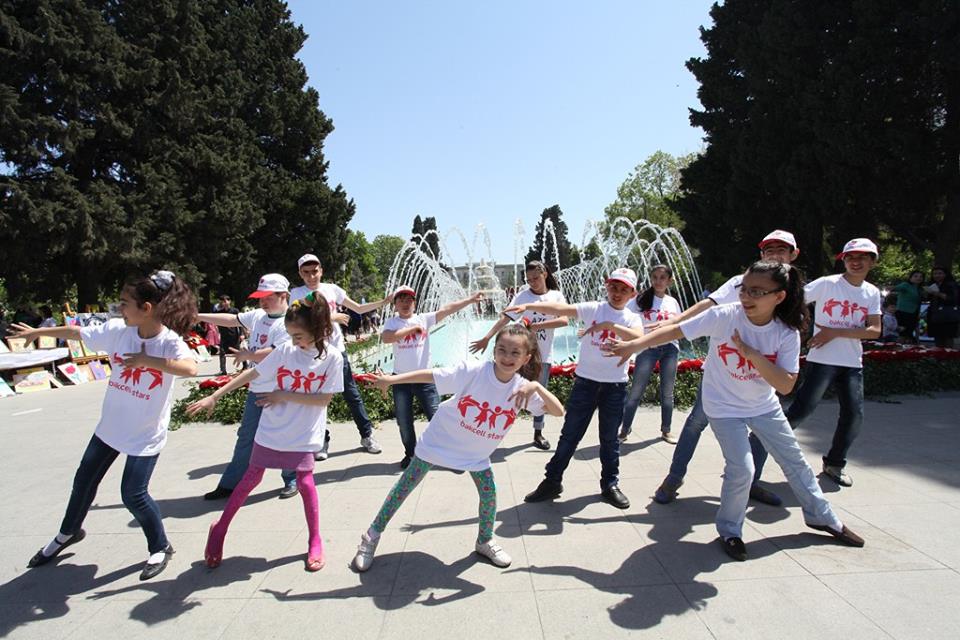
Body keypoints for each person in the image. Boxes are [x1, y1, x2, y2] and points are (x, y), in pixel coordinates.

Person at [606, 261, 865, 561]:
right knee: (742, 469)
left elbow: (784, 385)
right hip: (723, 407)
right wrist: (633, 345)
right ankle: (730, 530)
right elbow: (676, 331)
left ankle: (822, 516)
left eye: (757, 291)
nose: (746, 297)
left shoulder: (786, 333)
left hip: (763, 407)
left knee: (795, 461)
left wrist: (752, 354)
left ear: (779, 296)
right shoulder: (724, 316)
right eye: (744, 289)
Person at [9, 271, 198, 579]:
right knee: (83, 481)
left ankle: (160, 546)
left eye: (125, 303)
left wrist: (147, 362)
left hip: (144, 435)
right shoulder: (118, 331)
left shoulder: (169, 342)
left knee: (133, 494)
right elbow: (77, 334)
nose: (119, 309)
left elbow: (189, 367)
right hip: (109, 429)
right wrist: (35, 333)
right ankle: (68, 532)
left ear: (147, 308)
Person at [352, 322, 564, 572]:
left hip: (475, 454)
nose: (507, 357)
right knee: (403, 488)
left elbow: (559, 412)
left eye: (515, 353)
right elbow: (431, 374)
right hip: (439, 442)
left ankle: (484, 541)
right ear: (494, 351)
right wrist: (392, 379)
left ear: (526, 358)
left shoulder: (523, 389)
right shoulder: (474, 371)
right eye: (502, 350)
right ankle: (371, 537)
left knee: (489, 495)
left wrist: (537, 385)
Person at [187, 293, 343, 572]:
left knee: (306, 483)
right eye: (291, 335)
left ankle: (314, 539)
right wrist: (216, 396)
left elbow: (324, 400)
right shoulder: (285, 351)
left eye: (298, 335)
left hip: (305, 433)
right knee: (250, 479)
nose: (293, 341)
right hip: (272, 429)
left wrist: (284, 394)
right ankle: (220, 528)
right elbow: (252, 375)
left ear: (319, 331)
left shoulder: (332, 358)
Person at [649, 229, 801, 506]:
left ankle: (750, 482)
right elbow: (709, 304)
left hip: (761, 378)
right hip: (723, 377)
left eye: (781, 250)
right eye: (769, 250)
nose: (775, 254)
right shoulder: (741, 282)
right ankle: (674, 477)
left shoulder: (797, 291)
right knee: (696, 422)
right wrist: (673, 323)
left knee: (763, 432)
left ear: (794, 255)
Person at [753, 238, 882, 489]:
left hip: (852, 363)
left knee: (854, 415)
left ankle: (835, 463)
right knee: (801, 411)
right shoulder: (827, 284)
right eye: (851, 257)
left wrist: (834, 331)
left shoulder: (871, 292)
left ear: (872, 262)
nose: (856, 262)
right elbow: (788, 300)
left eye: (863, 258)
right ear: (843, 260)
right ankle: (756, 450)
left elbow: (875, 330)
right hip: (822, 360)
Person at [518, 268, 645, 509]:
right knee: (569, 436)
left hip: (614, 387)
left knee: (609, 439)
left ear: (632, 293)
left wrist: (610, 325)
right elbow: (561, 310)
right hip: (585, 383)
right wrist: (527, 308)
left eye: (623, 289)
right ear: (606, 287)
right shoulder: (594, 308)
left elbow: (638, 337)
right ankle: (552, 481)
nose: (617, 293)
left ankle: (610, 484)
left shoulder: (632, 318)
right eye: (614, 287)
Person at [196, 274, 298, 500]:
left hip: (281, 391)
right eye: (260, 297)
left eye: (267, 297)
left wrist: (249, 354)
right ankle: (231, 484)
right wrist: (197, 315)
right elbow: (232, 320)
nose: (262, 301)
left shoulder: (291, 320)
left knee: (285, 436)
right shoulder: (259, 316)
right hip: (257, 387)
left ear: (283, 295)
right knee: (246, 437)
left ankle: (292, 479)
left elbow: (278, 351)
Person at [290, 254, 393, 459]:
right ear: (300, 274)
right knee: (317, 398)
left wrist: (384, 301)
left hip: (337, 351)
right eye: (306, 272)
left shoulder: (332, 289)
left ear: (321, 271)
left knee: (352, 395)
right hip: (312, 352)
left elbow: (358, 308)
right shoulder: (296, 293)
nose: (312, 276)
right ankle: (321, 441)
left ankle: (367, 435)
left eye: (315, 271)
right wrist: (332, 316)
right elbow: (297, 319)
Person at [469, 260, 568, 450]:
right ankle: (489, 429)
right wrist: (487, 338)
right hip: (518, 357)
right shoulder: (522, 296)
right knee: (504, 390)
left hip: (543, 356)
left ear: (545, 274)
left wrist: (535, 327)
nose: (532, 282)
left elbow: (563, 320)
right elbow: (505, 319)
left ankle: (538, 434)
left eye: (536, 278)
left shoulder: (556, 296)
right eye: (529, 279)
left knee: (540, 396)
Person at [381, 286, 483, 469]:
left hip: (425, 379)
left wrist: (469, 300)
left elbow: (447, 309)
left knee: (437, 418)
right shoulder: (392, 322)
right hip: (401, 381)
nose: (405, 303)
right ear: (395, 304)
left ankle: (447, 454)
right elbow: (387, 338)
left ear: (415, 303)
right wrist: (410, 330)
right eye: (401, 300)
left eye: (409, 300)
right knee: (404, 422)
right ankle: (411, 454)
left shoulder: (424, 319)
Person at [619, 265, 683, 444]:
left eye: (662, 278)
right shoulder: (641, 299)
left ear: (669, 281)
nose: (658, 281)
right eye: (655, 277)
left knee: (667, 392)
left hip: (670, 349)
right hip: (648, 349)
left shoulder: (672, 302)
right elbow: (624, 316)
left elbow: (678, 325)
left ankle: (666, 430)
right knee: (636, 391)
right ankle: (624, 430)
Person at [927, 266, 959, 348]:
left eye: (940, 273)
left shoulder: (951, 284)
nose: (937, 276)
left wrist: (939, 294)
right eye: (935, 274)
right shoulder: (932, 284)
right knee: (937, 338)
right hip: (935, 315)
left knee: (948, 337)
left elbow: (954, 299)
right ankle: (939, 357)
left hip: (948, 315)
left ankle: (948, 358)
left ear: (945, 274)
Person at [892, 271, 924, 343]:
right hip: (903, 312)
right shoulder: (905, 285)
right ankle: (898, 350)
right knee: (903, 333)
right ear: (910, 278)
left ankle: (907, 350)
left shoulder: (920, 289)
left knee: (909, 333)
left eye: (920, 276)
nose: (918, 278)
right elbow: (895, 288)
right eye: (915, 276)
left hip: (914, 313)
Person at [214, 295, 242, 374]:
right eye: (222, 301)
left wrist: (242, 334)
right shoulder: (219, 312)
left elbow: (241, 322)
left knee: (238, 351)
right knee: (222, 352)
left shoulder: (235, 311)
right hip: (224, 334)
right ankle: (223, 370)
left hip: (234, 334)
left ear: (230, 301)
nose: (225, 303)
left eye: (226, 300)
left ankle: (245, 365)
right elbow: (216, 321)